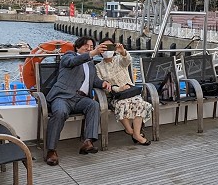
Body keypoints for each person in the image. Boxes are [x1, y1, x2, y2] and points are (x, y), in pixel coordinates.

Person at [44, 35, 110, 163]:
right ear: (78, 47)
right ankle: (51, 150)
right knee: (60, 112)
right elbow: (72, 63)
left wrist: (102, 83)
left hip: (80, 99)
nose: (89, 49)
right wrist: (93, 53)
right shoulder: (69, 56)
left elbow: (94, 80)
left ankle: (88, 142)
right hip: (62, 97)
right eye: (86, 47)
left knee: (93, 105)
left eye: (91, 47)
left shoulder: (91, 64)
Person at [94, 38, 152, 145]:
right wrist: (119, 89)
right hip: (114, 96)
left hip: (130, 92)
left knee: (140, 103)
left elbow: (127, 61)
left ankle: (136, 134)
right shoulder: (98, 67)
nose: (107, 50)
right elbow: (102, 84)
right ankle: (130, 131)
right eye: (104, 47)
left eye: (110, 47)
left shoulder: (119, 59)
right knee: (122, 104)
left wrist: (123, 51)